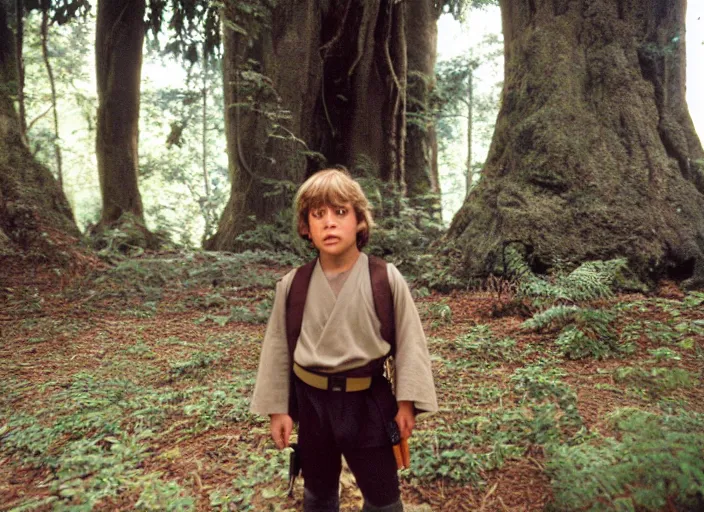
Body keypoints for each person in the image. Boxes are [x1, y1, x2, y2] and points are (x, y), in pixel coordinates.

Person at [251, 168, 438, 512]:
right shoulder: (294, 284)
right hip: (313, 404)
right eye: (318, 214)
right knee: (318, 494)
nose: (330, 223)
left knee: (383, 499)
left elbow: (411, 343)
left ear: (360, 222)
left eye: (340, 212)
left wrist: (407, 402)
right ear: (306, 227)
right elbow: (277, 348)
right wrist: (279, 408)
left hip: (367, 402)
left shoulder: (384, 278)